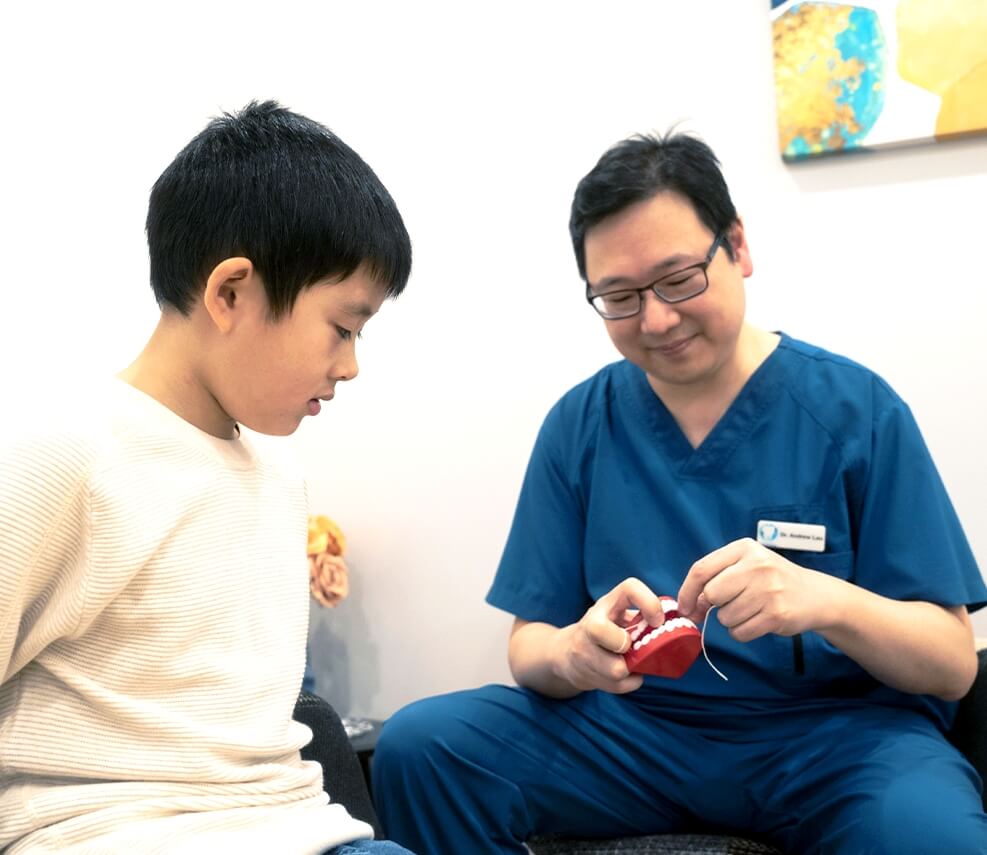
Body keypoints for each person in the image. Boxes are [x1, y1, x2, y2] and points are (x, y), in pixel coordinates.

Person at [371, 132, 987, 854]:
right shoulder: (581, 424)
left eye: (678, 278)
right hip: (636, 737)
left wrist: (825, 600)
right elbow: (529, 643)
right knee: (422, 746)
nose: (656, 318)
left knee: (927, 833)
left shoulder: (854, 411)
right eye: (620, 296)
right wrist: (573, 652)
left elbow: (949, 661)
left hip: (834, 742)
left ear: (737, 247)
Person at [0, 101, 414, 855]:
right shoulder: (65, 453)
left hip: (305, 831)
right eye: (343, 326)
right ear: (231, 293)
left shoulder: (279, 471)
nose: (351, 364)